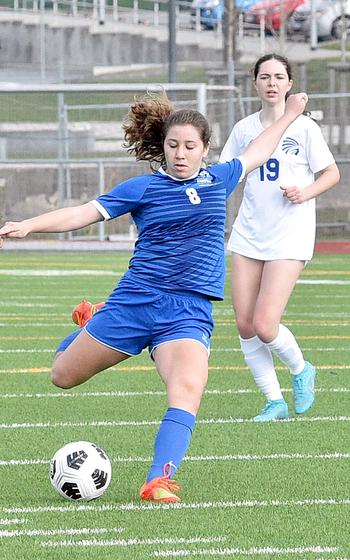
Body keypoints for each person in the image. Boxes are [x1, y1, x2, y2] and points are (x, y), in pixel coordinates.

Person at [0, 89, 308, 501]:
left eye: (190, 146)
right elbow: (83, 213)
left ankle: (157, 480)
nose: (180, 154)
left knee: (187, 389)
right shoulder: (143, 188)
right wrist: (28, 225)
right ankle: (96, 318)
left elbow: (259, 147)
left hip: (188, 311)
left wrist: (288, 114)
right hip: (136, 302)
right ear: (162, 147)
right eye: (173, 145)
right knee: (62, 376)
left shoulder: (221, 178)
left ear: (205, 149)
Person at [220, 54, 340, 422]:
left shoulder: (304, 128)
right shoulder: (243, 129)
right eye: (264, 77)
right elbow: (229, 174)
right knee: (244, 323)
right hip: (248, 234)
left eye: (279, 77)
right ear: (254, 83)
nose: (272, 83)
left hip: (290, 235)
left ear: (290, 84)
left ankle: (302, 369)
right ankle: (274, 401)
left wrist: (306, 191)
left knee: (265, 324)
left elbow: (331, 173)